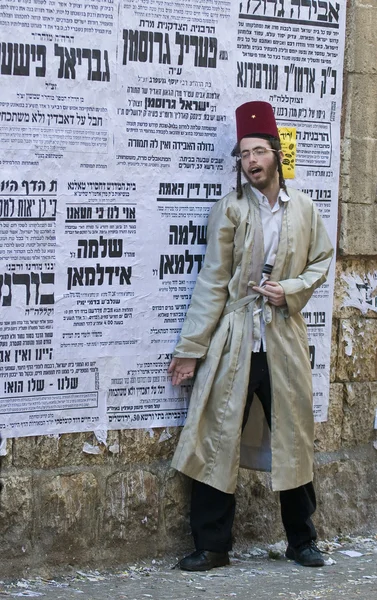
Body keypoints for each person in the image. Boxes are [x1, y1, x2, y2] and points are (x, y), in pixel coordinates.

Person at [168, 101, 334, 572]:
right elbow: (212, 281)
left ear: (276, 155)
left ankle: (303, 541)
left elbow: (322, 261)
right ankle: (213, 546)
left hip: (282, 340)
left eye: (260, 151)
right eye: (244, 154)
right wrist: (190, 350)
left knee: (294, 438)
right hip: (237, 338)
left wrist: (292, 290)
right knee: (217, 435)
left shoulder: (302, 208)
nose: (253, 161)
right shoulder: (230, 208)